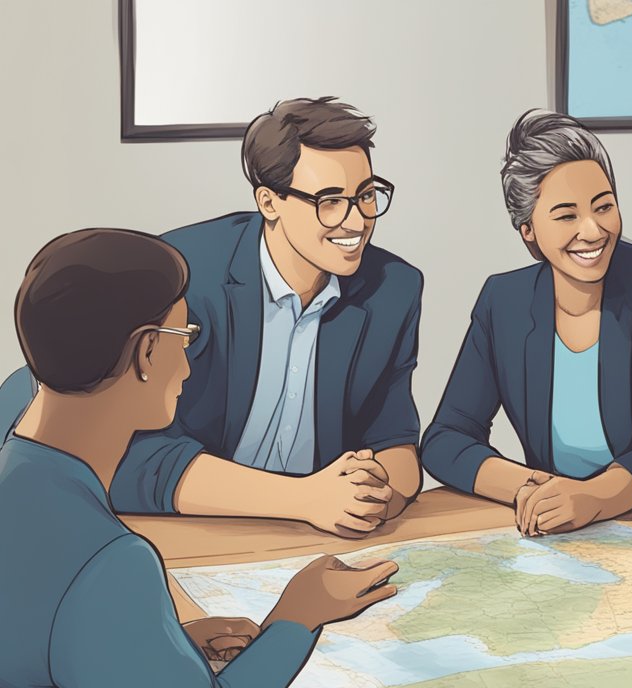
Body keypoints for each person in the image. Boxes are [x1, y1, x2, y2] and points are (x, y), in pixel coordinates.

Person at [0, 229, 398, 688]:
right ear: (145, 350)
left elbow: (38, 650)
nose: (187, 365)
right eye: (183, 337)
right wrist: (297, 617)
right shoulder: (110, 561)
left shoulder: (16, 475)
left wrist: (166, 648)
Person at [110, 97, 424, 536]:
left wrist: (378, 496)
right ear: (269, 202)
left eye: (366, 196)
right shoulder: (183, 276)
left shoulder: (393, 289)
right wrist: (304, 499)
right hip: (197, 531)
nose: (357, 221)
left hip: (317, 537)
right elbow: (127, 453)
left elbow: (395, 440)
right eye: (330, 201)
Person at [421, 109, 632, 535]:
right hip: (551, 521)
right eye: (567, 215)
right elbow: (445, 439)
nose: (593, 230)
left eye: (604, 207)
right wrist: (536, 489)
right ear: (528, 229)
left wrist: (594, 498)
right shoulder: (504, 300)